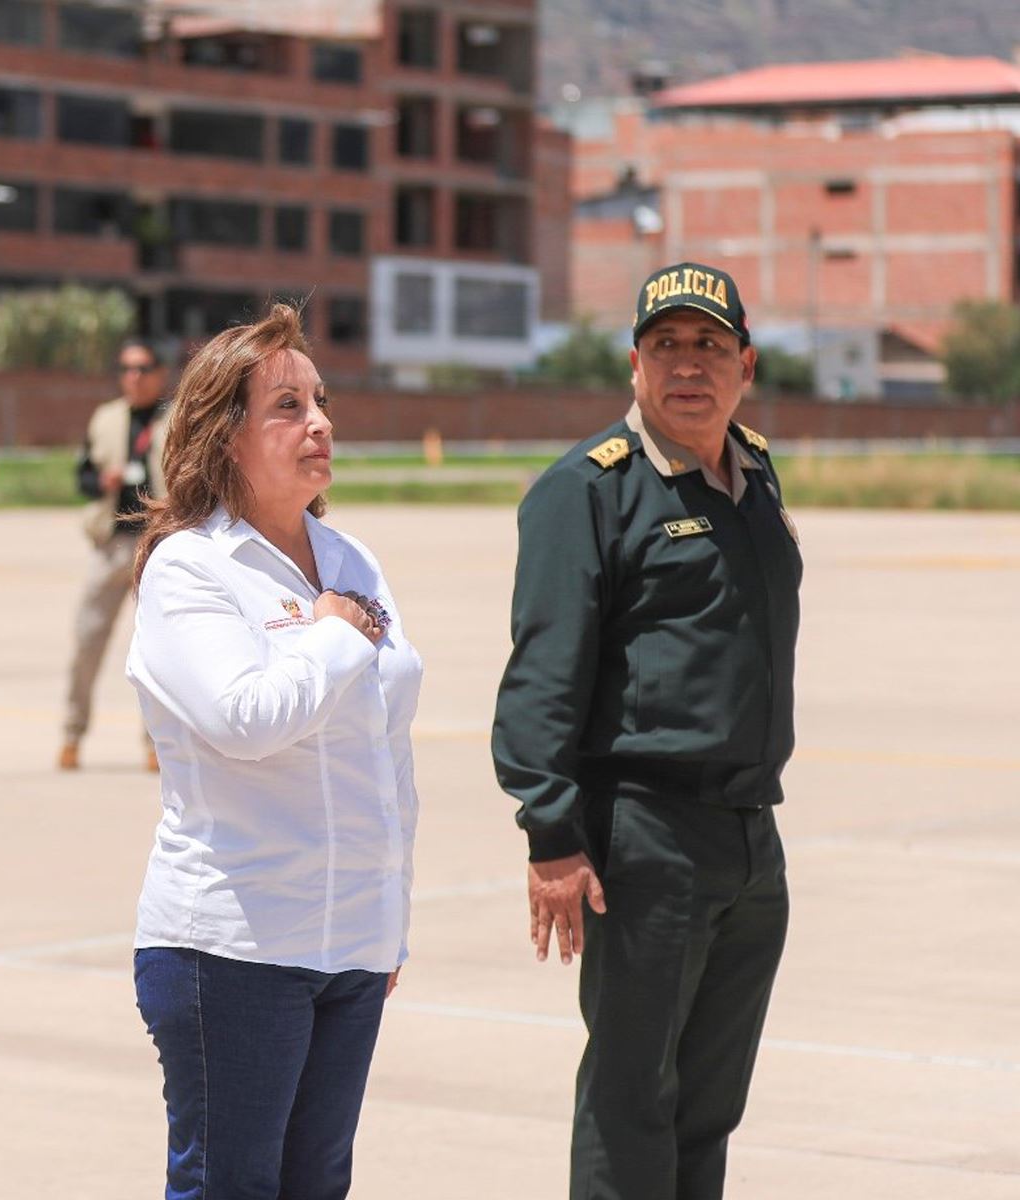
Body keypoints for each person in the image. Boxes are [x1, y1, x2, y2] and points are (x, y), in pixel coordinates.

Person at [492, 262, 800, 1200]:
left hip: (751, 838)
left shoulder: (751, 475)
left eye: (709, 345)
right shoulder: (587, 492)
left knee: (709, 1107)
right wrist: (553, 833)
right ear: (634, 364)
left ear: (745, 363)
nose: (688, 366)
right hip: (646, 839)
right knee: (633, 1101)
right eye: (665, 346)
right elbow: (543, 672)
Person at [126, 304, 424, 1200]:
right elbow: (244, 718)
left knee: (317, 1186)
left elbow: (386, 749)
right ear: (225, 434)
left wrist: (390, 912)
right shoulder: (190, 569)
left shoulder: (352, 558)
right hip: (234, 947)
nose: (320, 423)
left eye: (321, 401)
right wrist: (333, 634)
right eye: (287, 406)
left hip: (350, 940)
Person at [58, 338, 170, 771]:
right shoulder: (105, 418)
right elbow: (82, 477)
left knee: (159, 650)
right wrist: (100, 481)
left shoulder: (175, 420)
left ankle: (155, 744)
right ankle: (72, 733)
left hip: (158, 548)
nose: (133, 377)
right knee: (87, 640)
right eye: (126, 369)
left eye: (142, 369)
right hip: (111, 542)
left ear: (159, 373)